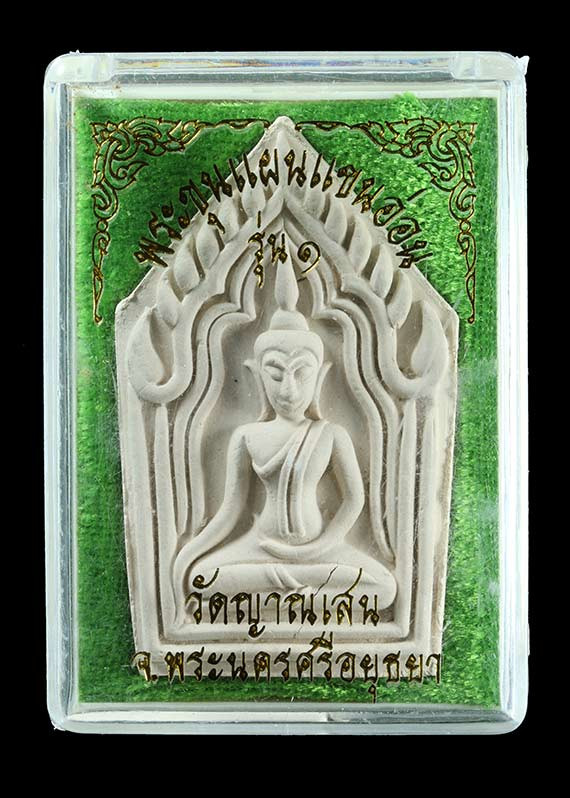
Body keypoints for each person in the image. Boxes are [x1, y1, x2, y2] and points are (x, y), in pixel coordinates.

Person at [173, 253, 396, 621]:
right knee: (202, 579)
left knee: (384, 587)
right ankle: (306, 600)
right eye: (276, 374)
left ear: (320, 377)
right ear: (257, 376)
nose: (288, 389)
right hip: (262, 547)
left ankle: (277, 600)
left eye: (300, 374)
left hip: (320, 551)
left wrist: (320, 547)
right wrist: (190, 554)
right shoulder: (247, 436)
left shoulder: (331, 434)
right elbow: (231, 509)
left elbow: (353, 500)